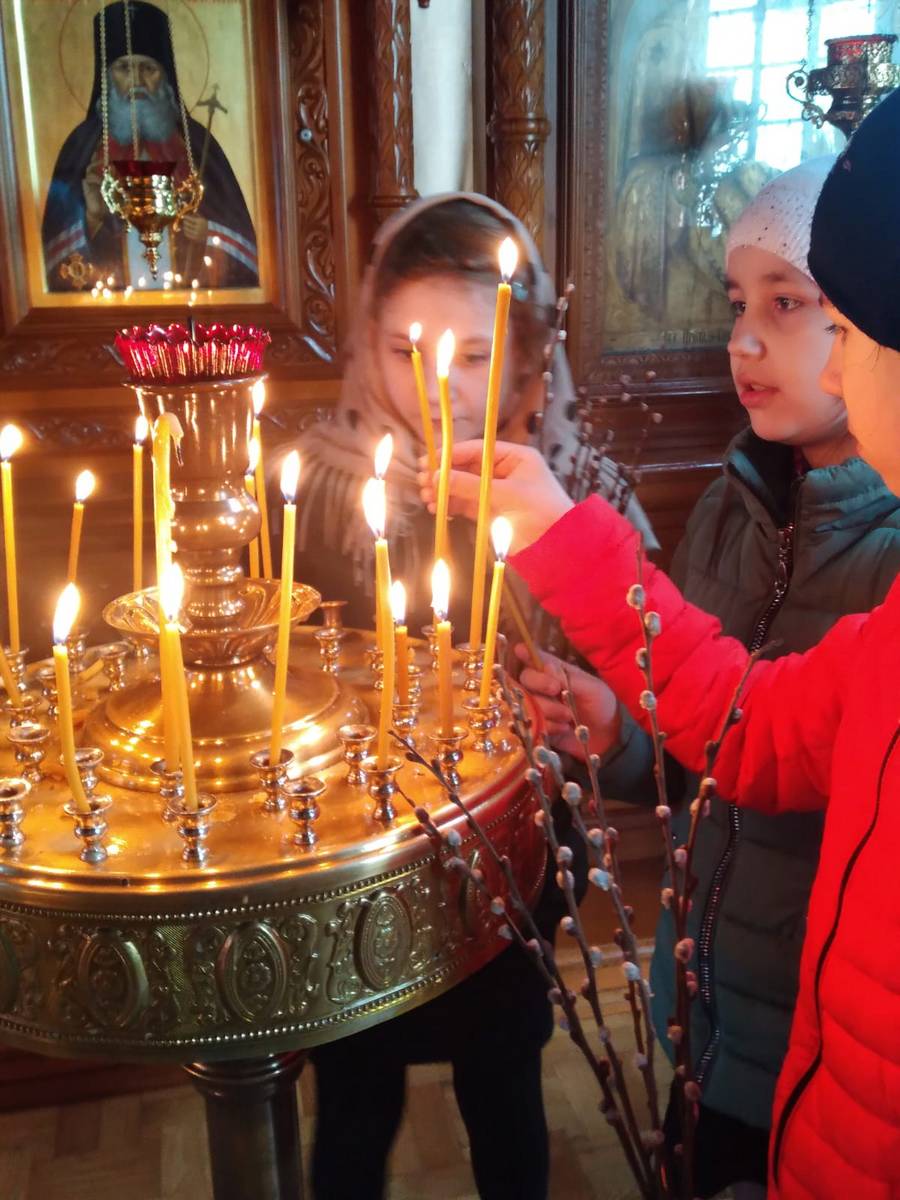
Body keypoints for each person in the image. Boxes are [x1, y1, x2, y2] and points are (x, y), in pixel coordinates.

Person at [424, 88, 900, 1199]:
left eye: (843, 328)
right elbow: (750, 728)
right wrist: (567, 559)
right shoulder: (752, 522)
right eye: (741, 304)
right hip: (748, 1047)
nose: (829, 368)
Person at [298, 193, 651, 1200]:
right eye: (407, 350)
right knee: (354, 1093)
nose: (439, 383)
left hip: (513, 859)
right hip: (360, 858)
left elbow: (640, 689)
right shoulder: (324, 491)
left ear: (529, 357)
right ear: (368, 342)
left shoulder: (577, 494)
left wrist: (587, 702)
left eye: (474, 353)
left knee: (503, 1079)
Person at [42, 0, 258, 291]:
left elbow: (244, 245)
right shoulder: (83, 147)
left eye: (148, 68)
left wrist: (209, 232)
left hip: (191, 300)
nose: (137, 80)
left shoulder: (197, 145)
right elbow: (50, 256)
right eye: (124, 68)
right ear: (107, 78)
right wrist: (91, 218)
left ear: (165, 78)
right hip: (109, 305)